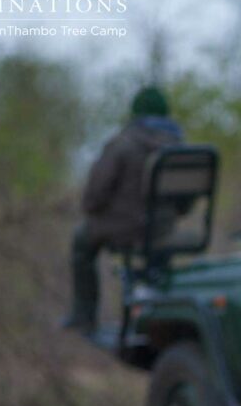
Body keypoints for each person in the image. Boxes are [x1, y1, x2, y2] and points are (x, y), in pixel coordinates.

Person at [63, 86, 183, 334]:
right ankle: (155, 314)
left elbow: (93, 197)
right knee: (157, 256)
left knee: (81, 241)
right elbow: (184, 203)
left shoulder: (123, 143)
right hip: (163, 231)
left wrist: (97, 212)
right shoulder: (179, 147)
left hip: (125, 230)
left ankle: (84, 316)